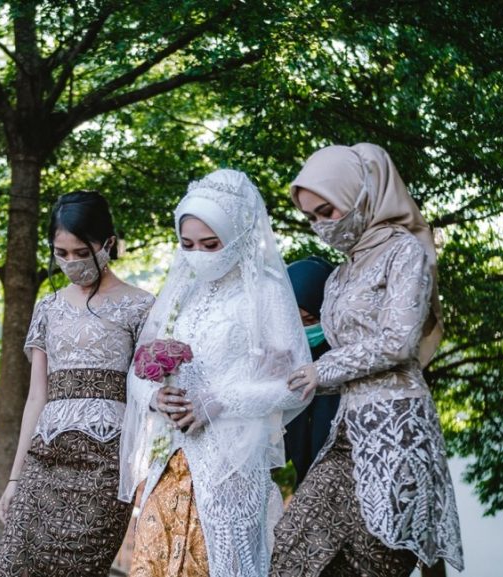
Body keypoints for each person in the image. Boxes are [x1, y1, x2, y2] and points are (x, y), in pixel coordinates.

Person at [269, 143, 463, 576]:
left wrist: (321, 371)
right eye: (311, 217)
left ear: (361, 195)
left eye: (328, 210)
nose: (321, 226)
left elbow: (398, 342)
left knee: (375, 560)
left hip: (396, 431)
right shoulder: (339, 274)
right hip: (346, 431)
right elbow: (338, 361)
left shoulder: (404, 253)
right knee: (292, 546)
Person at [120, 169, 312, 577]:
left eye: (211, 244)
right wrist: (155, 396)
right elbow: (139, 371)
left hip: (231, 463)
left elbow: (297, 385)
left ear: (240, 235)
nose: (198, 255)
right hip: (170, 459)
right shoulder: (181, 294)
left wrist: (220, 401)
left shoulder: (267, 291)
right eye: (187, 244)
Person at [0, 191, 154, 577]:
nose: (69, 263)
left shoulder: (142, 306)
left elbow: (148, 398)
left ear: (108, 244)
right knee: (12, 567)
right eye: (60, 253)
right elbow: (36, 397)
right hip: (42, 462)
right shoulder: (47, 308)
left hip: (105, 468)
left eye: (80, 253)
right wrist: (15, 478)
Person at [282, 256, 339, 487]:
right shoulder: (279, 354)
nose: (304, 328)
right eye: (296, 320)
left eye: (311, 319)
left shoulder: (348, 353)